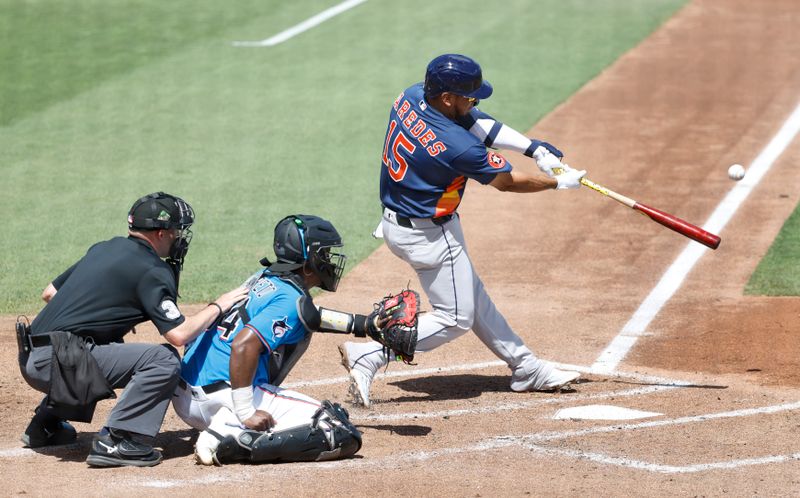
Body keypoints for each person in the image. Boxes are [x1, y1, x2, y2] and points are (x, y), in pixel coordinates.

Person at [339, 54, 587, 407]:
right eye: (468, 97)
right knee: (455, 317)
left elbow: (475, 120)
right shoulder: (458, 147)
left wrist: (535, 149)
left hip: (400, 221)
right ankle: (371, 356)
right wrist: (555, 183)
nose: (474, 103)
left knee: (471, 295)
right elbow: (506, 182)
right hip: (428, 236)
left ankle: (526, 367)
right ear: (447, 98)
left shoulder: (411, 96)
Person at [17, 192, 249, 467]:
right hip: (58, 363)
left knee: (101, 342)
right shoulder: (151, 269)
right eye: (176, 230)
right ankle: (118, 440)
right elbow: (179, 334)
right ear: (161, 233)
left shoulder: (104, 248)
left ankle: (46, 425)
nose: (179, 236)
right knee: (162, 360)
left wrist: (103, 322)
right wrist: (218, 306)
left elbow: (49, 293)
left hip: (32, 355)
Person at [173, 214, 377, 465]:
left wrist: (365, 324)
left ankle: (229, 420)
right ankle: (230, 434)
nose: (329, 260)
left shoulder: (265, 276)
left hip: (186, 397)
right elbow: (243, 344)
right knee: (336, 431)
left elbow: (308, 317)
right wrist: (245, 410)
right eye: (325, 254)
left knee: (292, 334)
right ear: (309, 259)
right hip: (224, 397)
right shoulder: (291, 300)